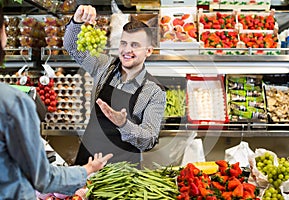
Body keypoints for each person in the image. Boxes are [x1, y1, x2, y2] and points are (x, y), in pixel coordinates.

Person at [0, 6, 113, 199]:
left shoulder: (150, 88)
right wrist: (86, 170)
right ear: (2, 34)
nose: (128, 50)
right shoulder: (12, 103)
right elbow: (41, 177)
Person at [64, 5, 166, 166]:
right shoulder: (104, 66)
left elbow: (149, 140)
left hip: (123, 173)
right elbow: (71, 47)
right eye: (124, 43)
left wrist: (124, 124)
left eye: (135, 45)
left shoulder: (154, 91)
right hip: (88, 163)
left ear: (148, 51)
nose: (127, 50)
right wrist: (77, 20)